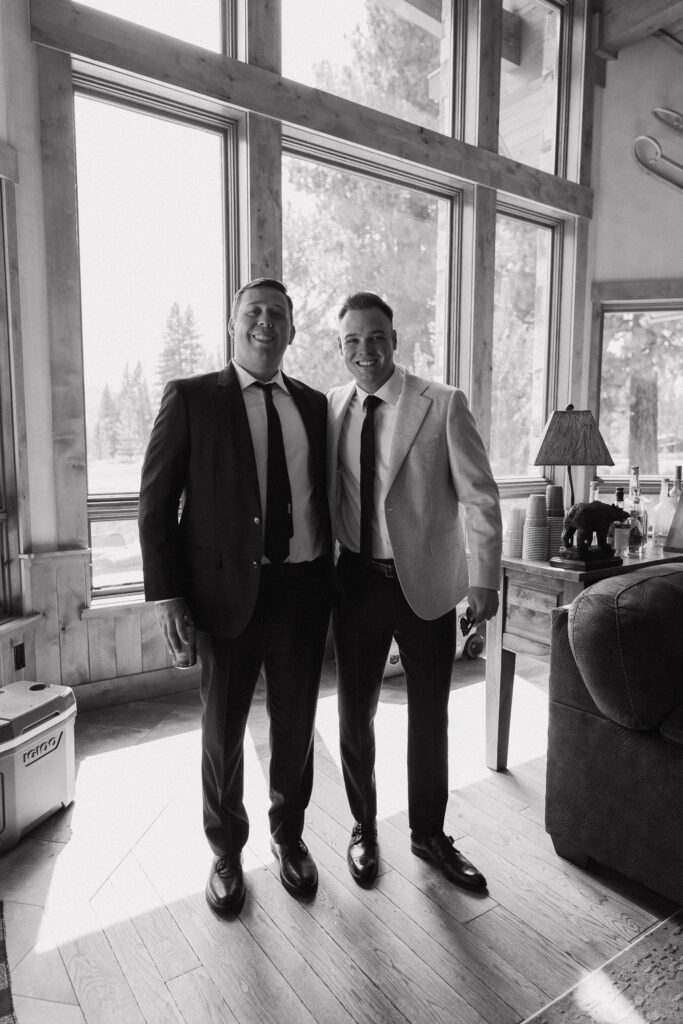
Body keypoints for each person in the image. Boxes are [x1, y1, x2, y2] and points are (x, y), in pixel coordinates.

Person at [139, 278, 333, 916]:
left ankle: (290, 837)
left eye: (278, 315)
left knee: (296, 725)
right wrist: (168, 597)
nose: (265, 323)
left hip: (302, 591)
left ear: (292, 331)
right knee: (222, 731)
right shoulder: (192, 398)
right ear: (232, 323)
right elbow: (156, 504)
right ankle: (225, 850)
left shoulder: (312, 405)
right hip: (224, 597)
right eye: (254, 312)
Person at [327, 291, 502, 891]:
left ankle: (429, 835)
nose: (364, 349)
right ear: (341, 348)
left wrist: (483, 577)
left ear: (394, 340)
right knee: (355, 713)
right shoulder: (331, 408)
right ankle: (362, 828)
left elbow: (480, 496)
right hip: (354, 583)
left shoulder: (443, 403)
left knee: (430, 714)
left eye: (375, 336)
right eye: (352, 340)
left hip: (425, 585)